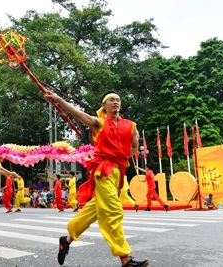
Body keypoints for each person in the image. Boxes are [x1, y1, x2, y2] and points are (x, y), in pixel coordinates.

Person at [44, 90, 149, 267]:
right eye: (111, 100)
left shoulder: (130, 126)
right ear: (104, 105)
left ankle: (66, 240)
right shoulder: (99, 123)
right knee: (113, 212)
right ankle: (125, 259)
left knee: (96, 209)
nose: (115, 102)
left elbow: (133, 148)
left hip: (118, 172)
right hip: (103, 171)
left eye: (118, 100)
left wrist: (127, 151)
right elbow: (78, 113)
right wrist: (59, 99)